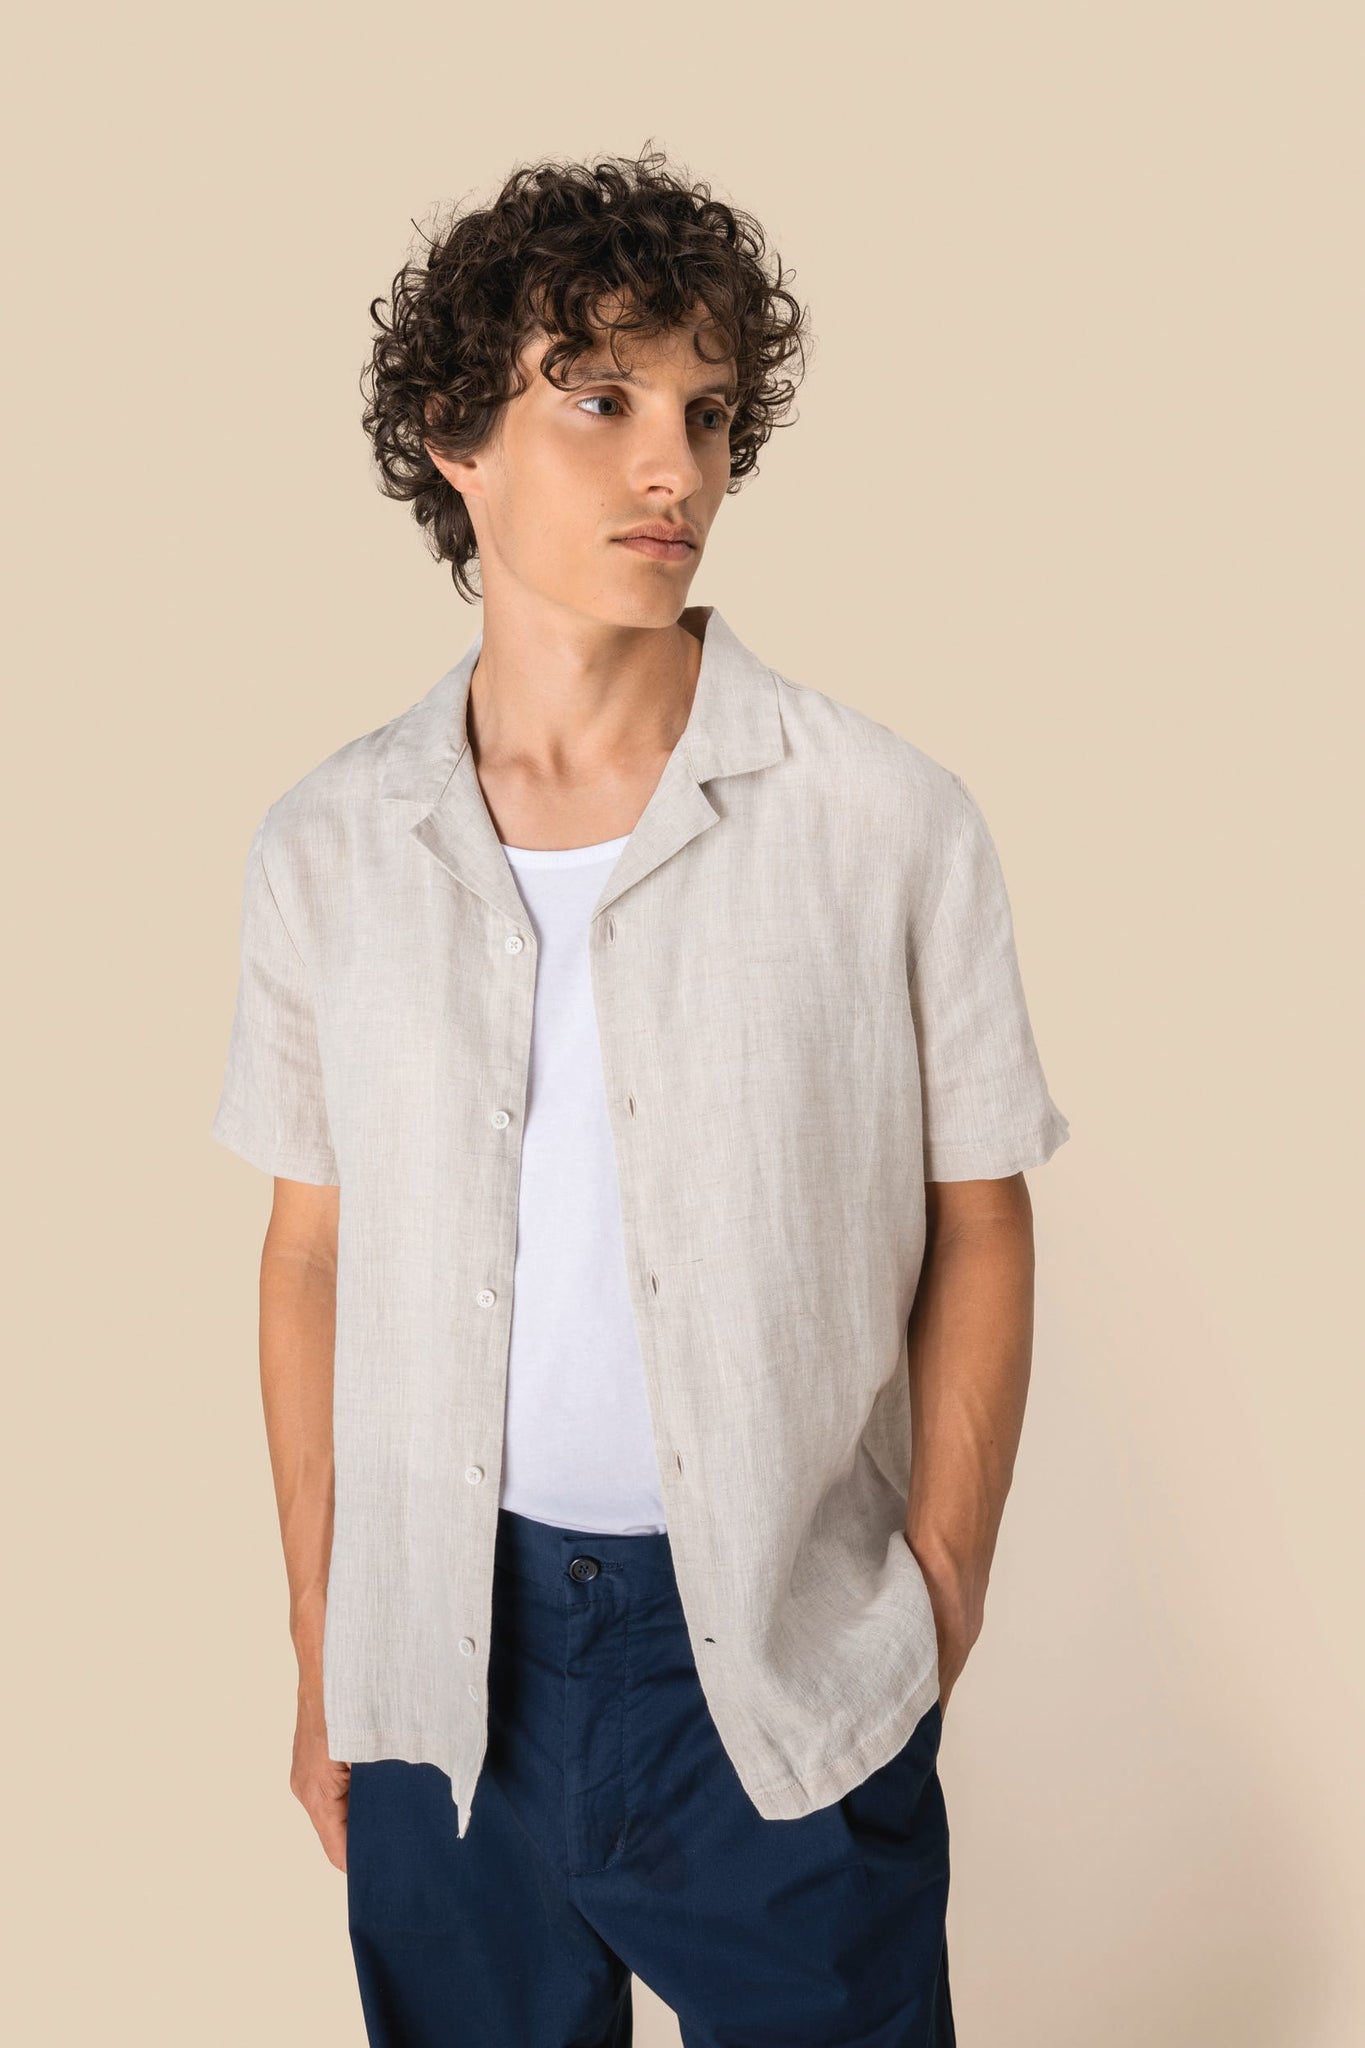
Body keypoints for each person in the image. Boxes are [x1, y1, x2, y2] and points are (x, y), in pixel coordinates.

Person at [210, 145, 1069, 2047]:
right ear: (454, 436)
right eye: (597, 400)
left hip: (775, 1662)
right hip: (440, 1663)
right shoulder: (326, 846)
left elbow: (981, 1214)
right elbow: (308, 1255)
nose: (672, 467)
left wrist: (938, 1583)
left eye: (707, 412)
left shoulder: (883, 820)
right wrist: (320, 1638)